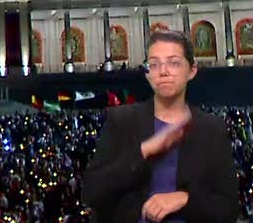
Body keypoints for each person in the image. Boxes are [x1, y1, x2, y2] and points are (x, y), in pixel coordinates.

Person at [83, 30, 240, 223]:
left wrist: (185, 199)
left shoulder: (212, 129)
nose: (163, 72)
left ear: (192, 70)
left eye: (173, 63)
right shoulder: (121, 120)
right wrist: (144, 150)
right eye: (154, 64)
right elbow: (91, 192)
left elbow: (228, 208)